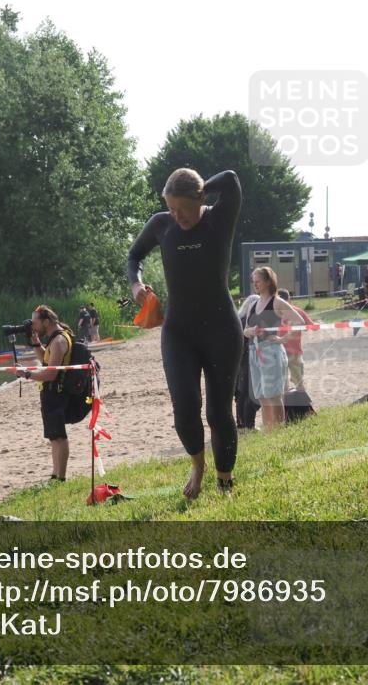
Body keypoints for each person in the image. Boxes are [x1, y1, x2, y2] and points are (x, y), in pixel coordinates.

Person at [128, 168, 243, 498]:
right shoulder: (161, 224)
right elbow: (134, 255)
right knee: (185, 409)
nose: (176, 216)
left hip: (221, 328)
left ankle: (225, 481)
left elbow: (232, 179)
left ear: (202, 199)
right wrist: (135, 283)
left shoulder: (219, 218)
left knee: (219, 412)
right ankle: (197, 465)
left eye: (183, 208)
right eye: (170, 208)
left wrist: (199, 188)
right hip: (178, 332)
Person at [13, 306, 76, 482]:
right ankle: (55, 475)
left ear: (46, 322)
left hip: (56, 392)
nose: (33, 325)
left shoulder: (59, 341)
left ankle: (61, 477)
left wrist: (26, 374)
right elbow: (45, 360)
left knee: (59, 436)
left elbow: (51, 373)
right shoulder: (54, 339)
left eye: (35, 322)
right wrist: (35, 343)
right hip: (50, 392)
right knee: (53, 436)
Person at [244, 268, 305, 430]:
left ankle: (278, 432)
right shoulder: (253, 304)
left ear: (268, 281)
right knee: (262, 396)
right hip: (254, 352)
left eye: (258, 280)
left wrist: (284, 339)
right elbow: (245, 329)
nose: (255, 284)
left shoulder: (277, 302)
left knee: (274, 395)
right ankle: (268, 431)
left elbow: (299, 321)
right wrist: (249, 331)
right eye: (253, 281)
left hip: (271, 351)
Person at [277, 288, 312, 392]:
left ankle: (286, 407)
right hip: (293, 352)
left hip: (278, 351)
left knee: (283, 385)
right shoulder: (298, 311)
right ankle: (303, 407)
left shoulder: (273, 312)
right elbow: (311, 326)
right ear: (289, 299)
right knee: (299, 384)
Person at [235, 294, 261, 430]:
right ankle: (248, 425)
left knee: (241, 393)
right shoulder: (249, 320)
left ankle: (241, 424)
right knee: (249, 393)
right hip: (248, 359)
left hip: (239, 360)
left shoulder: (239, 319)